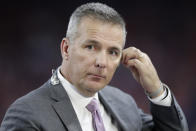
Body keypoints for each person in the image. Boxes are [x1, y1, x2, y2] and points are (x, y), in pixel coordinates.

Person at [0, 2, 188, 131]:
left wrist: (156, 90)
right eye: (91, 47)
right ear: (66, 48)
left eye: (113, 52)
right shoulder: (26, 114)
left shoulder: (123, 103)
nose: (101, 62)